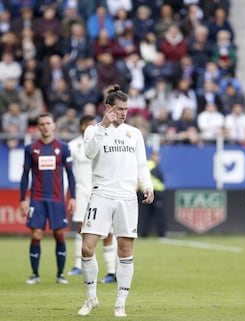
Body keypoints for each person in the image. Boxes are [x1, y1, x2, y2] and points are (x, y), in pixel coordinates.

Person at [78, 84, 154, 317]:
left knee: (125, 250)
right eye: (120, 108)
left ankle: (120, 303)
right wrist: (103, 126)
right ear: (108, 107)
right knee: (87, 247)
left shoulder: (134, 133)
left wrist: (148, 185)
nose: (123, 113)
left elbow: (142, 163)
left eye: (126, 109)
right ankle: (91, 298)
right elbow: (89, 154)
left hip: (126, 197)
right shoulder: (93, 130)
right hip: (101, 193)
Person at [19, 112, 76, 285]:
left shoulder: (63, 148)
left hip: (57, 199)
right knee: (36, 234)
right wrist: (23, 199)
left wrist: (73, 197)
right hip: (37, 198)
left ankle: (60, 274)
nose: (45, 126)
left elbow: (70, 175)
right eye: (42, 124)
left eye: (48, 123)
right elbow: (25, 175)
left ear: (54, 125)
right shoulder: (31, 148)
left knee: (59, 234)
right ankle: (35, 274)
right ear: (38, 127)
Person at [67, 114, 117, 283]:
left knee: (108, 232)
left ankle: (111, 271)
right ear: (82, 127)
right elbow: (68, 173)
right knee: (81, 229)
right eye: (89, 125)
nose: (93, 127)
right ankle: (78, 265)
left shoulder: (104, 142)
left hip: (103, 192)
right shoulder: (73, 146)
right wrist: (70, 194)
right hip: (82, 192)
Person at [138, 151, 166, 237]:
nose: (158, 158)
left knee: (145, 214)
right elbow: (160, 178)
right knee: (157, 214)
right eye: (156, 156)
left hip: (147, 192)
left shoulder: (151, 165)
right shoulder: (151, 165)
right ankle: (161, 233)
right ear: (152, 156)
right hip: (153, 192)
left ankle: (143, 233)